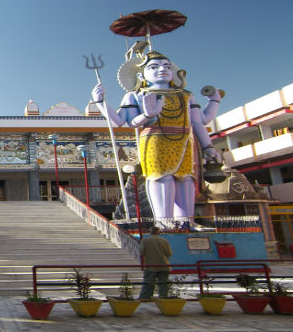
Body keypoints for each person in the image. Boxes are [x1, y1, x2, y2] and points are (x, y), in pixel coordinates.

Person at [91, 50, 222, 223]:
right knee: (162, 178)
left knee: (186, 180)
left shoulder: (185, 95)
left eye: (166, 66)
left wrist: (214, 102)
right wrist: (100, 103)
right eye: (154, 67)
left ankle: (186, 223)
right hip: (155, 141)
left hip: (184, 141)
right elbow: (123, 121)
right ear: (141, 75)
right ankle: (164, 223)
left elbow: (200, 121)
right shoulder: (136, 95)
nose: (162, 70)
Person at [138, 226, 172, 300]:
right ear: (159, 232)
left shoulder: (145, 240)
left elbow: (141, 252)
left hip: (150, 265)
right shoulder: (164, 241)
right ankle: (163, 298)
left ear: (150, 232)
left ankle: (145, 298)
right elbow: (169, 253)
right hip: (164, 265)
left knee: (148, 283)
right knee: (163, 284)